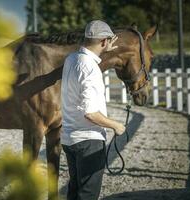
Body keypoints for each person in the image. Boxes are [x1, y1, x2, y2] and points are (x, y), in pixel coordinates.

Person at [60, 20, 126, 200]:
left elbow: (87, 61)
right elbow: (90, 113)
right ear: (104, 41)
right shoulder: (91, 69)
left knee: (74, 192)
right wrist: (116, 125)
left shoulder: (71, 59)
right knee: (88, 194)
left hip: (69, 139)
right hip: (88, 141)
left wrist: (104, 49)